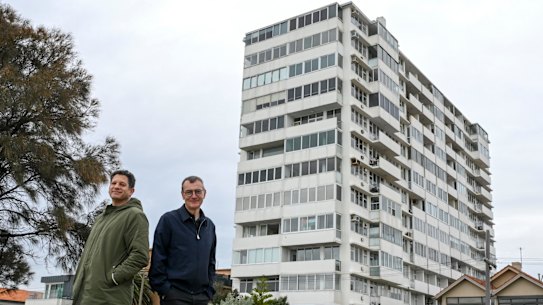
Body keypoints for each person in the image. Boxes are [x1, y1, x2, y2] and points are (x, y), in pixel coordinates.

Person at [72, 170, 149, 305]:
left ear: (131, 191)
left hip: (109, 298)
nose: (116, 186)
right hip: (85, 296)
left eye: (122, 184)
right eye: (113, 183)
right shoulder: (100, 218)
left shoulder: (135, 215)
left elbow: (140, 255)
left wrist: (112, 278)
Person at [149, 175, 217, 305]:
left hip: (202, 297)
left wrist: (209, 291)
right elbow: (158, 258)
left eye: (198, 191)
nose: (193, 196)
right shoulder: (168, 220)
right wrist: (165, 290)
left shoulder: (209, 226)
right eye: (188, 192)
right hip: (175, 296)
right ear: (182, 195)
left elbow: (211, 262)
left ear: (204, 193)